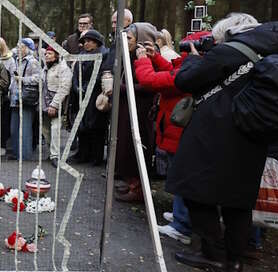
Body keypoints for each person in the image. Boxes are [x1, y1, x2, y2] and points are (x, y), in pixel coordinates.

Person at [167, 14, 278, 272]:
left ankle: (213, 254)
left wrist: (192, 58)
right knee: (239, 199)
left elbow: (185, 81)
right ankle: (235, 261)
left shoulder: (229, 52)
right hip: (253, 133)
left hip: (216, 131)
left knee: (193, 188)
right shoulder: (273, 50)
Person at [133, 33, 196, 244]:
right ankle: (181, 214)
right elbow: (173, 72)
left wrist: (143, 61)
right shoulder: (193, 67)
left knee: (183, 177)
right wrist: (155, 58)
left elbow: (154, 81)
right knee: (179, 175)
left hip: (178, 133)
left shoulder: (196, 72)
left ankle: (182, 225)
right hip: (174, 131)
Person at [114, 22, 159, 202]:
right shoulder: (130, 56)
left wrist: (121, 87)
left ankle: (138, 188)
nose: (127, 41)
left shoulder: (148, 58)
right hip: (127, 108)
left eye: (130, 38)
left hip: (141, 109)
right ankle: (130, 181)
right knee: (126, 146)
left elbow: (149, 84)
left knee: (138, 146)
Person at [68, 30, 108, 164]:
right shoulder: (82, 55)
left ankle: (96, 156)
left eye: (89, 41)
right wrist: (76, 86)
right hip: (80, 95)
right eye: (84, 41)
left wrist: (87, 87)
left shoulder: (104, 54)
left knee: (96, 127)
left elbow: (101, 73)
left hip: (95, 96)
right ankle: (82, 153)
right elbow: (75, 73)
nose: (86, 44)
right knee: (82, 125)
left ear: (97, 42)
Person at [5, 38, 40, 160]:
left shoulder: (32, 62)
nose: (18, 48)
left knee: (25, 129)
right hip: (15, 99)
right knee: (14, 129)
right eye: (17, 46)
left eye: (21, 46)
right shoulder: (17, 60)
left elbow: (38, 78)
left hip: (26, 99)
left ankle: (25, 156)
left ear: (27, 48)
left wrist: (23, 79)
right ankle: (16, 153)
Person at [40, 46, 72, 167]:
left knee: (55, 128)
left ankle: (55, 156)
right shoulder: (45, 68)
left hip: (56, 104)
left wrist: (54, 104)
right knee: (45, 129)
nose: (46, 55)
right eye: (46, 53)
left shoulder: (63, 68)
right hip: (44, 103)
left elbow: (64, 88)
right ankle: (51, 152)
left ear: (57, 55)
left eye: (49, 53)